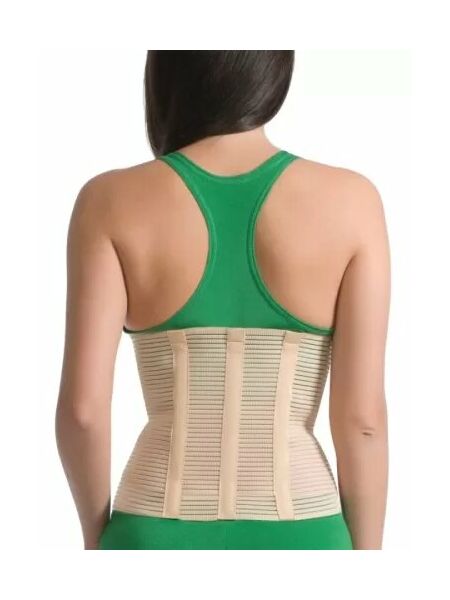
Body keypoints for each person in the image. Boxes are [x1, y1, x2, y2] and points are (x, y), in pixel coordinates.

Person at [55, 50, 390, 550]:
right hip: (304, 535)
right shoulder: (352, 201)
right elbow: (363, 423)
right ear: (274, 70)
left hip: (151, 533)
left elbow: (82, 412)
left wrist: (98, 538)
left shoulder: (108, 201)